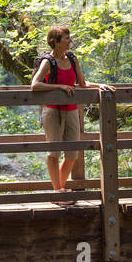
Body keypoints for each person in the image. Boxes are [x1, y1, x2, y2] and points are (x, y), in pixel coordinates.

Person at [30, 24, 86, 192]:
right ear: (56, 42)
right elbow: (35, 85)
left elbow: (82, 84)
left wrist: (101, 86)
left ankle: (59, 189)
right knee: (54, 152)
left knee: (72, 154)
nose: (70, 41)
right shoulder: (48, 62)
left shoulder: (72, 58)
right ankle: (58, 191)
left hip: (72, 110)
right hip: (52, 110)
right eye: (67, 38)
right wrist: (59, 87)